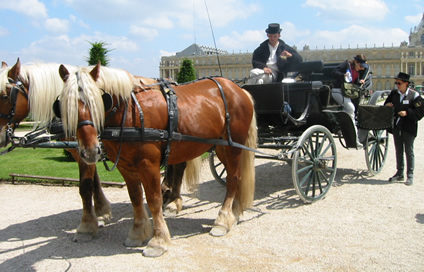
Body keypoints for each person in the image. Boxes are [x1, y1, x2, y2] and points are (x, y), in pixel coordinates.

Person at [384, 72, 424, 186]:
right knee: (399, 150)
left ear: (406, 83)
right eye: (396, 82)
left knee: (409, 151)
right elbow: (387, 103)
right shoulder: (394, 93)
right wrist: (387, 105)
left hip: (408, 127)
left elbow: (420, 112)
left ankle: (410, 175)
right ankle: (399, 173)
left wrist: (407, 113)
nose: (397, 85)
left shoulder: (415, 95)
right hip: (397, 126)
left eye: (399, 83)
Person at [331, 54, 371, 147]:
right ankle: (354, 138)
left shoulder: (360, 71)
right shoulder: (346, 65)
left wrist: (360, 80)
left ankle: (353, 135)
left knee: (352, 109)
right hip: (338, 91)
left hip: (348, 93)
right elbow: (333, 71)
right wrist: (343, 75)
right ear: (356, 62)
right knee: (350, 109)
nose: (361, 68)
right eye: (360, 66)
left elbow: (366, 71)